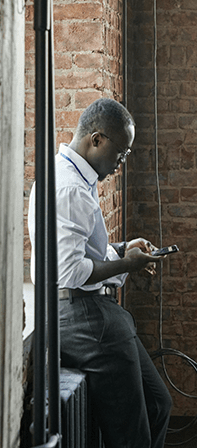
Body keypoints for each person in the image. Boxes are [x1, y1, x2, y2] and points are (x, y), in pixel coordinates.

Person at [28, 98, 172, 448]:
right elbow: (70, 271)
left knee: (158, 404)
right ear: (96, 140)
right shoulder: (70, 188)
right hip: (82, 316)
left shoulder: (71, 175)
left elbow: (81, 253)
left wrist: (122, 250)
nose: (121, 164)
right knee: (130, 435)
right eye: (120, 154)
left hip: (92, 312)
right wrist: (128, 264)